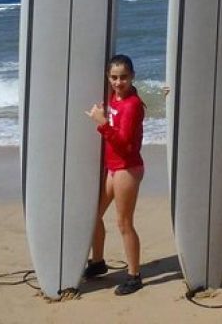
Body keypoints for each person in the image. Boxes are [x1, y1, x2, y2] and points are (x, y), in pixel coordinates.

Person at [84, 55, 145, 296]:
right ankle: (98, 262)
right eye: (114, 77)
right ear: (108, 78)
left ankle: (134, 275)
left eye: (123, 77)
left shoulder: (132, 104)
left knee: (124, 223)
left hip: (127, 168)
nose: (118, 82)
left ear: (132, 77)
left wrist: (101, 124)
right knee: (94, 216)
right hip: (113, 167)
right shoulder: (114, 98)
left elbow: (126, 145)